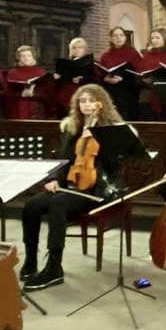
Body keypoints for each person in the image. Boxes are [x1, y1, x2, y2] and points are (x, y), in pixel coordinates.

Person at [18, 85, 126, 290]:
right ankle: (31, 260)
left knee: (58, 203)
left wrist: (99, 134)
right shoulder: (73, 128)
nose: (87, 105)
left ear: (101, 103)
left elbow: (114, 167)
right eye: (82, 101)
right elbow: (63, 160)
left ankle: (54, 268)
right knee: (31, 205)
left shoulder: (111, 130)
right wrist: (54, 178)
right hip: (71, 185)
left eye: (91, 100)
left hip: (95, 191)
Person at [97, 27, 144, 122]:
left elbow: (139, 71)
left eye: (121, 35)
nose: (118, 38)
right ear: (111, 38)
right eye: (115, 36)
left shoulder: (132, 52)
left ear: (125, 37)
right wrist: (106, 79)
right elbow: (101, 73)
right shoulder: (106, 55)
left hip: (129, 87)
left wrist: (123, 78)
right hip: (111, 88)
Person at [138, 28, 166, 120]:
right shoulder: (147, 55)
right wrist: (143, 79)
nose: (154, 40)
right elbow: (141, 71)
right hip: (148, 91)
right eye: (152, 38)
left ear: (164, 38)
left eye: (157, 38)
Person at [3, 46, 50, 120]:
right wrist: (21, 94)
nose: (26, 58)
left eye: (29, 55)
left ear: (33, 57)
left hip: (36, 108)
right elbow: (7, 92)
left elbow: (47, 92)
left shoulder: (41, 72)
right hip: (17, 108)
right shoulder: (12, 73)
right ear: (18, 58)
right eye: (23, 56)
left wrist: (33, 94)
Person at [52, 37, 93, 117]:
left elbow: (94, 80)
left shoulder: (90, 64)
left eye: (80, 47)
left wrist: (82, 79)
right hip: (65, 95)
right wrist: (57, 77)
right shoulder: (65, 63)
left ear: (85, 49)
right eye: (74, 48)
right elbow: (62, 80)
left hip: (81, 93)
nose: (77, 50)